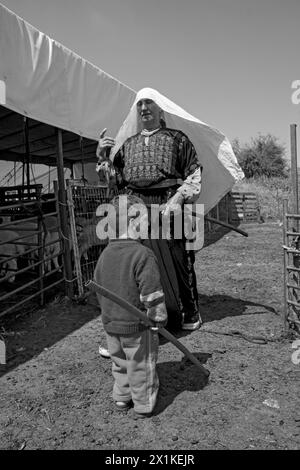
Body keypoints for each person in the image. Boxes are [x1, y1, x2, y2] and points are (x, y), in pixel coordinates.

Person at [96, 90, 203, 331]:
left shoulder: (179, 139)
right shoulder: (128, 145)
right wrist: (103, 158)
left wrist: (178, 198)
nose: (144, 107)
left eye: (149, 102)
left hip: (170, 203)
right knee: (142, 261)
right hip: (137, 206)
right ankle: (151, 314)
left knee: (179, 257)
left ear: (160, 108)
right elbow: (116, 182)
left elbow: (194, 173)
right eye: (140, 104)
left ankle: (189, 312)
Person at [94, 194, 167, 418]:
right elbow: (152, 293)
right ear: (134, 219)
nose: (149, 227)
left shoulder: (105, 254)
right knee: (140, 364)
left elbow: (98, 288)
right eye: (147, 221)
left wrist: (108, 314)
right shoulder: (143, 255)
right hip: (137, 326)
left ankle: (121, 396)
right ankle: (143, 403)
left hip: (111, 324)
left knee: (119, 361)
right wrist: (158, 318)